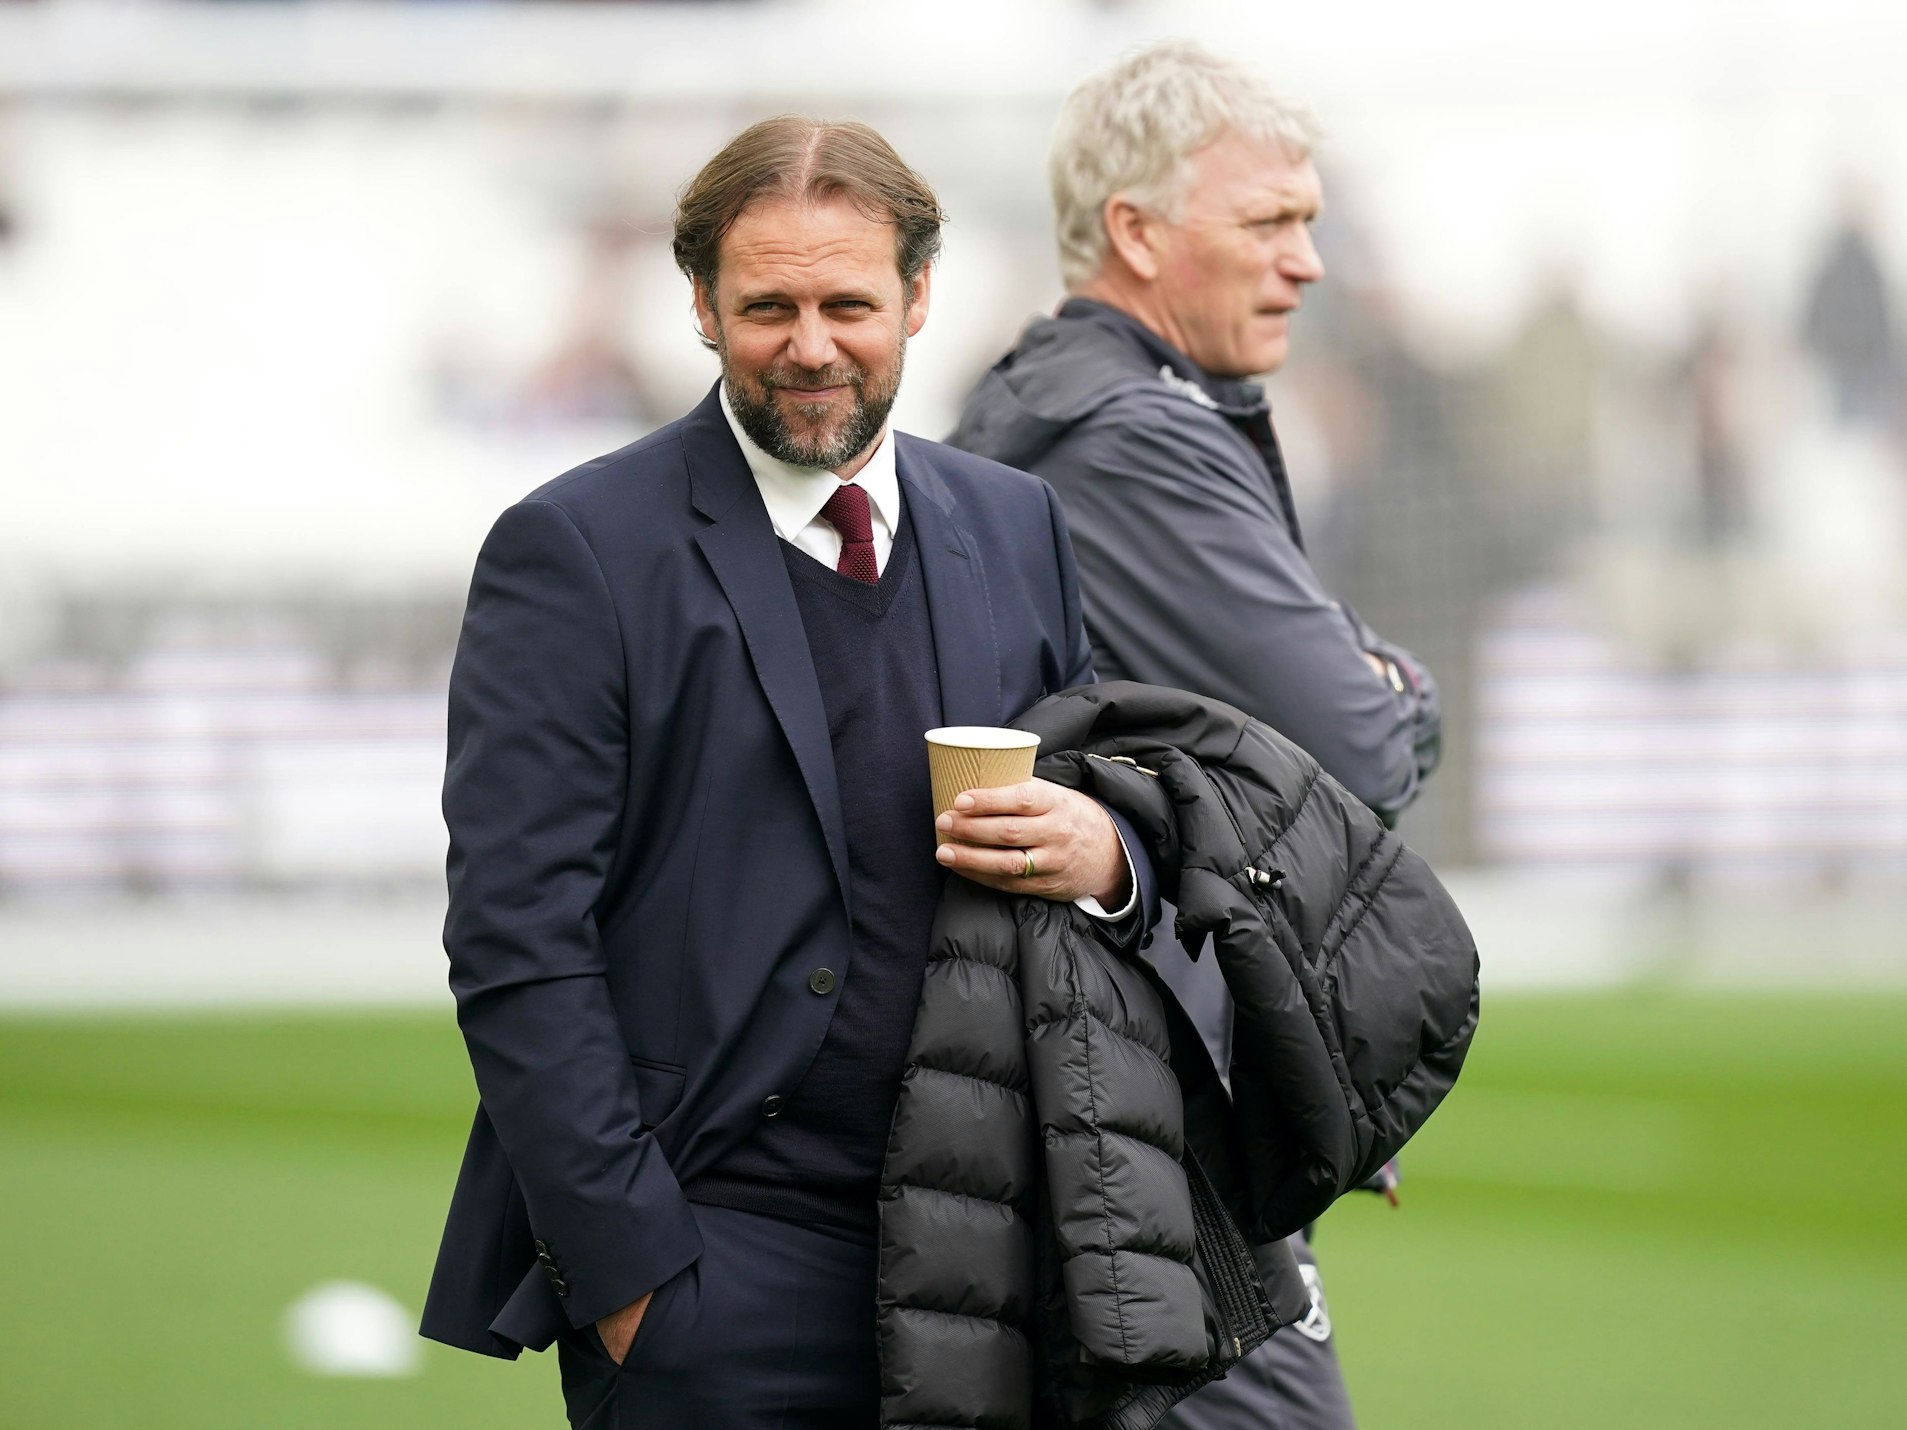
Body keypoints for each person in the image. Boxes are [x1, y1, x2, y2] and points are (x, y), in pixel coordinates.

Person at [418, 117, 1150, 1429]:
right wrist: (635, 1275)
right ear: (700, 307)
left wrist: (1107, 858)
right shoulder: (576, 550)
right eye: (769, 305)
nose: (811, 344)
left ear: (920, 298)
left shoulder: (1016, 523)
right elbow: (516, 938)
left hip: (984, 1257)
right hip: (716, 1264)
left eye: (848, 303)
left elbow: (1105, 805)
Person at [949, 40, 1444, 1430]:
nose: (1311, 260)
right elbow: (1362, 744)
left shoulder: (1066, 405)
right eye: (1270, 221)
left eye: (1312, 221)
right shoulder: (1127, 435)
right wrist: (1399, 680)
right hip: (1139, 1117)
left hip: (1107, 1091)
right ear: (1137, 233)